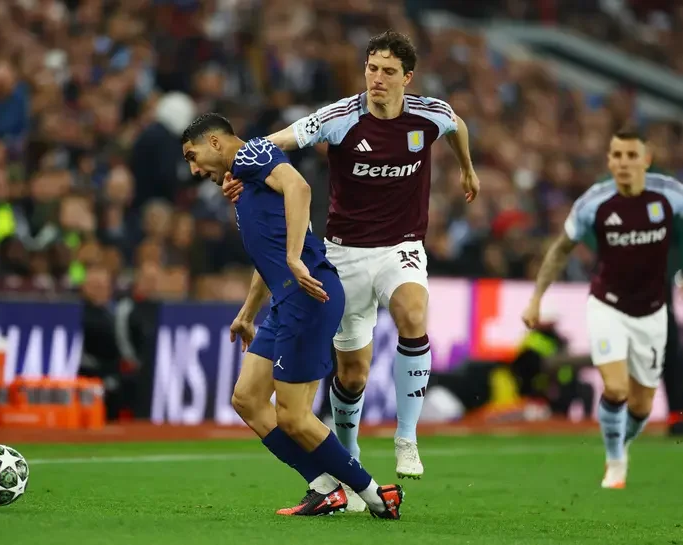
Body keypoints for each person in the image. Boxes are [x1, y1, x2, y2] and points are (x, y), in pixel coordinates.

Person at [221, 29, 480, 509]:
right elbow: (282, 139)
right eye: (371, 68)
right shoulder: (340, 118)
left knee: (413, 313)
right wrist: (240, 166)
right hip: (343, 255)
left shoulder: (430, 115)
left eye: (387, 71)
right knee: (354, 373)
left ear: (407, 77)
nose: (376, 78)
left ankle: (406, 437)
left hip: (401, 247)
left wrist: (466, 167)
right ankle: (350, 455)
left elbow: (457, 125)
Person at [181, 113, 404, 518]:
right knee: (248, 399)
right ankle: (324, 487)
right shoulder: (247, 182)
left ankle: (375, 495)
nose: (194, 170)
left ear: (214, 143)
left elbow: (299, 187)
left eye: (192, 157)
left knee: (294, 417)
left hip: (308, 295)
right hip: (287, 301)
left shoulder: (252, 154)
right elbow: (267, 254)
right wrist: (248, 313)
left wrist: (294, 256)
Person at [522, 128, 683, 489]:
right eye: (617, 156)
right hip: (607, 306)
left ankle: (620, 442)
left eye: (631, 156)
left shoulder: (671, 196)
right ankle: (615, 461)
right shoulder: (593, 203)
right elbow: (561, 249)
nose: (623, 163)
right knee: (615, 388)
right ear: (609, 161)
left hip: (653, 312)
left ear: (646, 160)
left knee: (641, 407)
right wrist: (535, 298)